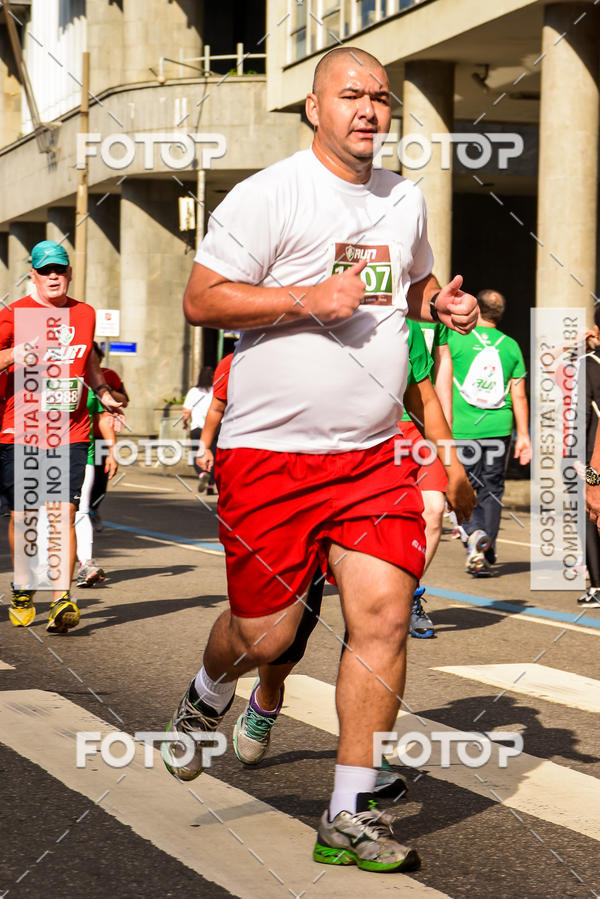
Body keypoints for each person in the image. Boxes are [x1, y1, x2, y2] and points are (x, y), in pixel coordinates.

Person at [163, 46, 477, 874]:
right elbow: (202, 298)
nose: (369, 109)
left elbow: (413, 288)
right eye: (351, 96)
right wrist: (308, 297)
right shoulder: (269, 195)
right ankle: (207, 689)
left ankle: (346, 812)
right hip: (269, 454)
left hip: (371, 456)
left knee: (380, 613)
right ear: (314, 107)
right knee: (266, 635)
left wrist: (439, 302)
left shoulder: (403, 197)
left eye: (380, 97)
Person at [232, 322, 475, 773]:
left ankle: (363, 759)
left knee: (378, 616)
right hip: (304, 467)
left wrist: (451, 464)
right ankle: (266, 698)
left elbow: (429, 397)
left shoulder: (409, 326)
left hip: (387, 463)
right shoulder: (305, 306)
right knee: (288, 627)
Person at [0, 240, 121, 632]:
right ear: (32, 274)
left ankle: (61, 600)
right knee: (25, 515)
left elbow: (89, 362)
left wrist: (102, 393)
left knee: (63, 512)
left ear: (69, 273)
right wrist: (14, 354)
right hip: (19, 428)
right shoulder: (14, 314)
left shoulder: (84, 313)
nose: (54, 276)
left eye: (60, 269)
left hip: (69, 429)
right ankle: (23, 585)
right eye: (45, 270)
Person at [447, 289, 531, 575]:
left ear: (476, 310)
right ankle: (487, 547)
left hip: (463, 428)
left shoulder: (454, 339)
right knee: (492, 490)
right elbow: (518, 395)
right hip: (499, 429)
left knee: (462, 486)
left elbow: (441, 383)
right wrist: (525, 437)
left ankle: (473, 534)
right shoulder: (510, 346)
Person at [399, 320, 453, 638]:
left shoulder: (434, 314)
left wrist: (446, 430)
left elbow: (442, 373)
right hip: (384, 425)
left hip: (423, 426)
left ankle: (408, 596)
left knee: (434, 510)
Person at [75, 389, 118, 587]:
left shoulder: (89, 388)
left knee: (81, 510)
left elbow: (102, 419)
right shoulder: (35, 380)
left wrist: (112, 451)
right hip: (43, 456)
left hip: (85, 456)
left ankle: (85, 565)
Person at [89, 342, 128, 531]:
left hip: (101, 436)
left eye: (95, 356)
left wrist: (104, 390)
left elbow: (124, 400)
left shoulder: (110, 375)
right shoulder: (74, 374)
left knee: (100, 479)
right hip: (78, 436)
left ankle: (93, 510)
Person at [579, 312, 600, 608]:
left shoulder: (588, 366)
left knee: (591, 514)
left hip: (594, 453)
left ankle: (596, 585)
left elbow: (581, 415)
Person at [196, 354, 232, 493]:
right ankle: (211, 484)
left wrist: (203, 447)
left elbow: (216, 408)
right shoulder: (231, 362)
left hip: (202, 427)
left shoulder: (232, 361)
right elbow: (217, 408)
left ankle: (204, 474)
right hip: (224, 429)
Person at [182, 366, 214, 489]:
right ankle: (211, 484)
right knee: (214, 455)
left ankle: (202, 474)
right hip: (214, 428)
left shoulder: (193, 391)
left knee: (196, 453)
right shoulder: (216, 390)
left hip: (197, 428)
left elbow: (186, 411)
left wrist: (184, 423)